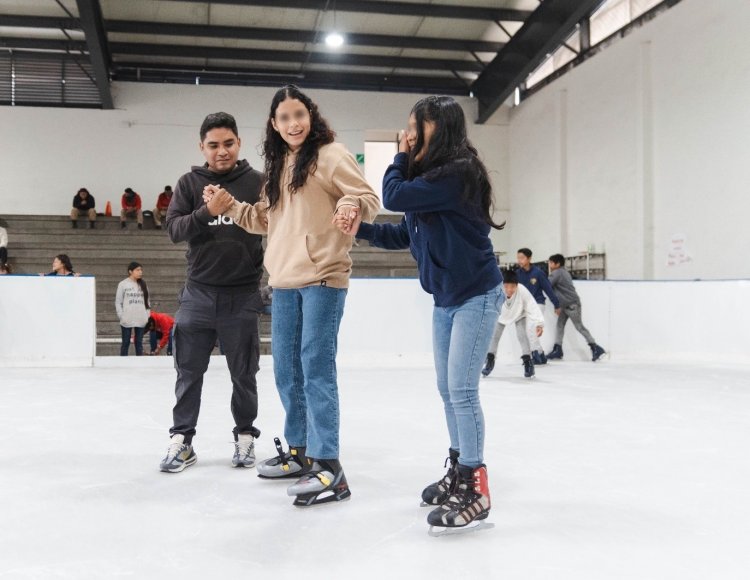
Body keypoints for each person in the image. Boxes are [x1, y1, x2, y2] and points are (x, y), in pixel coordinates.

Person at [203, 85, 380, 506]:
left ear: (311, 115)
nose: (292, 124)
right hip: (283, 282)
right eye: (283, 118)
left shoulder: (331, 154)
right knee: (287, 371)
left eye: (298, 114)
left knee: (315, 368)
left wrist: (351, 204)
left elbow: (369, 197)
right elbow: (263, 220)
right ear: (274, 124)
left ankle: (329, 467)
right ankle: (300, 451)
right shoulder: (280, 164)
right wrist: (228, 205)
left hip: (322, 276)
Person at [335, 95, 503, 531]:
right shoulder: (433, 180)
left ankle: (476, 488)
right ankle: (458, 469)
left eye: (415, 127)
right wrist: (362, 230)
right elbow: (407, 236)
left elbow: (392, 193)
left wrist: (399, 156)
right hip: (446, 299)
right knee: (448, 390)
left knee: (463, 390)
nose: (408, 135)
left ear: (438, 129)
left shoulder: (459, 173)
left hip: (476, 295)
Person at [160, 111, 266, 474]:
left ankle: (246, 437)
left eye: (228, 143)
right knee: (188, 372)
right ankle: (182, 440)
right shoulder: (189, 183)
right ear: (202, 147)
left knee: (244, 374)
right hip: (199, 295)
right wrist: (208, 211)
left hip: (242, 295)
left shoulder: (257, 182)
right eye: (213, 145)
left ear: (239, 142)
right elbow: (173, 229)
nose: (222, 151)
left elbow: (276, 225)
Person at [481, 270, 544, 379]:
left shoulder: (522, 290)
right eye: (506, 286)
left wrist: (539, 323)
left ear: (517, 285)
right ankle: (490, 361)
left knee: (522, 335)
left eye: (512, 286)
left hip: (519, 313)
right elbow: (487, 305)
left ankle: (528, 363)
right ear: (502, 284)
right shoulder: (496, 290)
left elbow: (532, 305)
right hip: (501, 315)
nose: (509, 290)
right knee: (494, 336)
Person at [546, 253, 606, 362]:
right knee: (560, 325)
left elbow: (546, 285)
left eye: (551, 262)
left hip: (572, 305)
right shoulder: (564, 272)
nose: (549, 264)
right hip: (566, 305)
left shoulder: (557, 273)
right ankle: (557, 349)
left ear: (557, 263)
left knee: (579, 327)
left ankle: (596, 348)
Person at [514, 247, 560, 365]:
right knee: (522, 333)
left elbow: (548, 289)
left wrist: (556, 304)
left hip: (537, 304)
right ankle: (540, 354)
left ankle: (534, 354)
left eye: (522, 258)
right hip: (523, 307)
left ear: (529, 258)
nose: (519, 260)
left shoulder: (538, 273)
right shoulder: (517, 274)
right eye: (518, 258)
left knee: (531, 329)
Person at [115, 261, 150, 356]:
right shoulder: (123, 284)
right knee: (125, 343)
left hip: (141, 317)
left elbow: (147, 302)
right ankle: (123, 364)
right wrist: (121, 316)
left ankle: (139, 365)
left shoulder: (143, 284)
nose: (140, 272)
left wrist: (147, 315)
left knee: (139, 344)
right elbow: (118, 302)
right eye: (137, 270)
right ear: (130, 271)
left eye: (141, 270)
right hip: (127, 318)